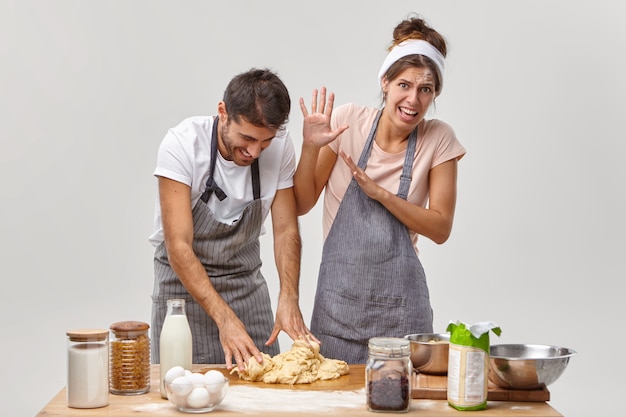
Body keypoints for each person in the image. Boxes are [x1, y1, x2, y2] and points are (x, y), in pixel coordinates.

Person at [294, 15, 466, 363]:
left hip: (401, 319)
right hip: (337, 315)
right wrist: (310, 147)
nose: (413, 100)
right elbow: (301, 202)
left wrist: (382, 195)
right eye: (404, 85)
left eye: (426, 89)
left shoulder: (438, 139)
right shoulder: (347, 123)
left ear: (434, 95)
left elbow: (440, 228)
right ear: (385, 82)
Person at [149, 68, 317, 372]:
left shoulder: (279, 147)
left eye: (264, 142)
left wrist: (289, 297)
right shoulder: (182, 145)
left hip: (245, 289)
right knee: (184, 393)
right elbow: (178, 246)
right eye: (247, 138)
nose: (254, 151)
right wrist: (224, 319)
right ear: (223, 112)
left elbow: (286, 229)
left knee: (263, 394)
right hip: (182, 294)